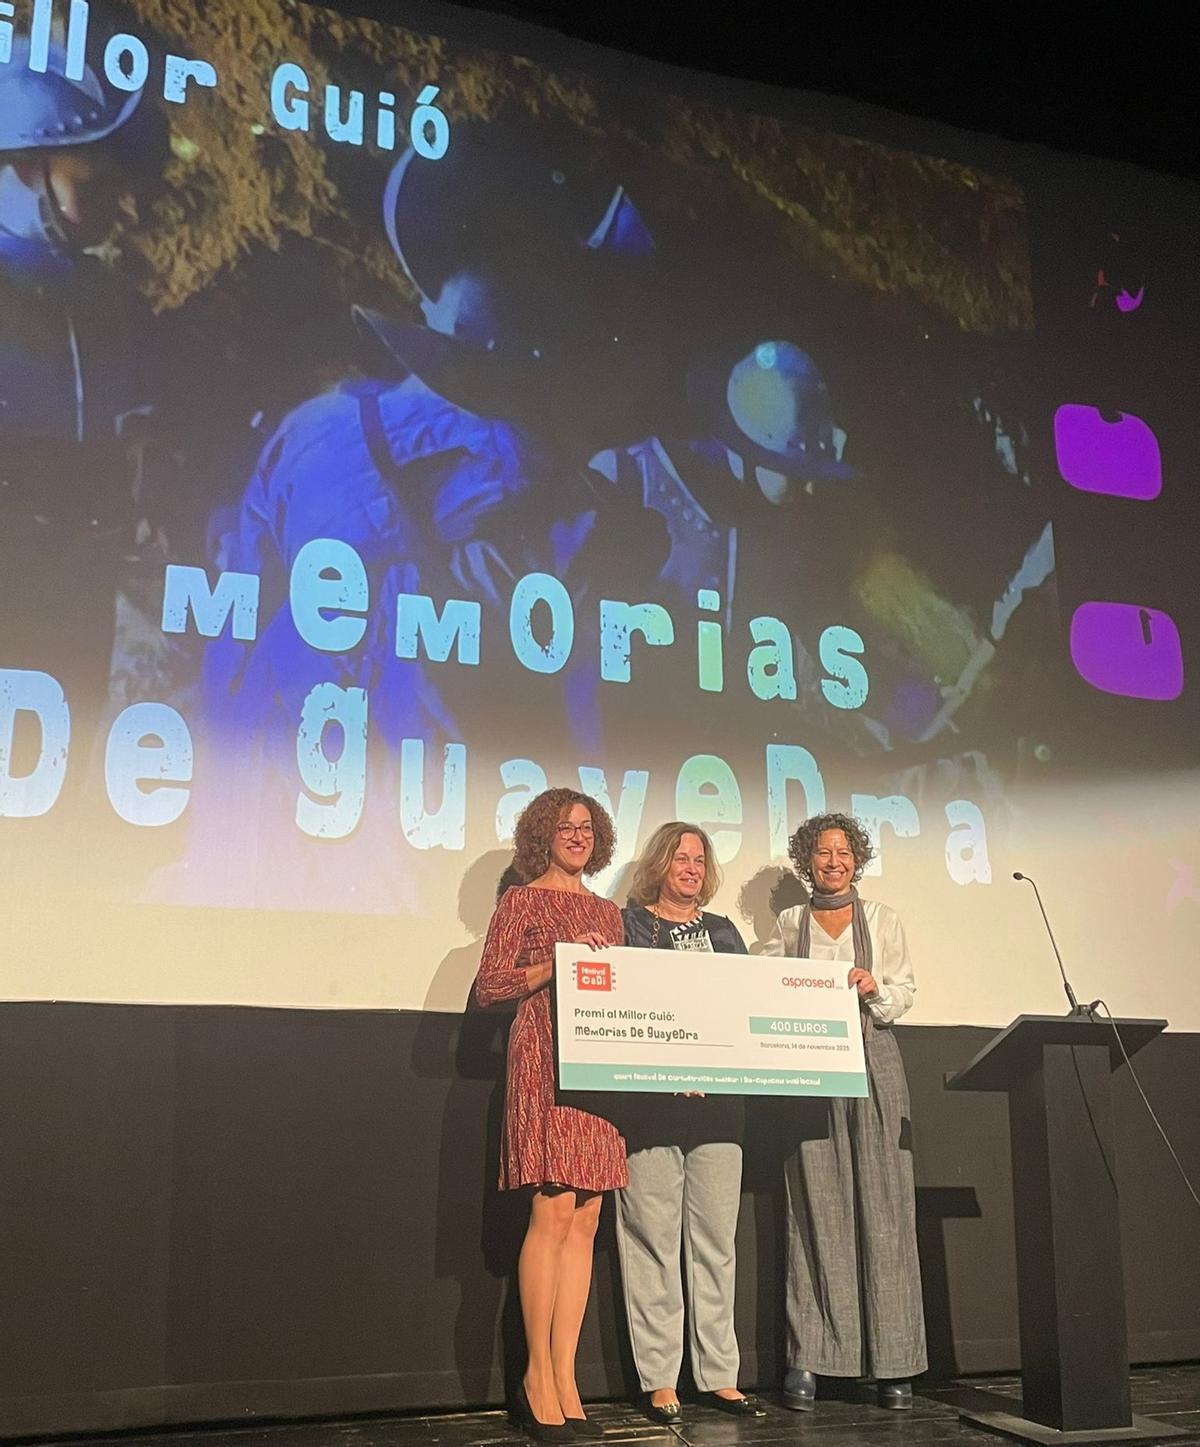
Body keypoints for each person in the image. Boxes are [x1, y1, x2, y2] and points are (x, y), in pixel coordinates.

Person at [473, 787, 626, 1441]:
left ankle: (567, 1377)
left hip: (600, 1071)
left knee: (587, 1217)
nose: (577, 834)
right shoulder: (521, 900)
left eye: (587, 826)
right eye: (566, 825)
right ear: (543, 832)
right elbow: (490, 985)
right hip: (543, 1060)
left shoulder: (609, 911)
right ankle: (536, 1377)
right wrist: (555, 965)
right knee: (553, 1208)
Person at [762, 811, 925, 1410]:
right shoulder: (787, 923)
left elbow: (905, 992)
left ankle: (894, 1363)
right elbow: (764, 986)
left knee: (885, 1209)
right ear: (808, 861)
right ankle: (811, 1358)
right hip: (808, 1068)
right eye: (823, 853)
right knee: (816, 1207)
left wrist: (873, 988)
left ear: (857, 860)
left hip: (873, 1059)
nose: (833, 862)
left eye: (844, 853)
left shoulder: (883, 920)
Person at [615, 823, 765, 1422]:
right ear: (659, 864)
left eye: (699, 860)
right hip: (652, 1106)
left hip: (720, 1106)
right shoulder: (630, 926)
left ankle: (719, 1375)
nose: (691, 868)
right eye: (680, 857)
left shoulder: (725, 931)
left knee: (715, 1242)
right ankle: (660, 1378)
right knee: (651, 1241)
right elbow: (625, 1005)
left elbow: (746, 1006)